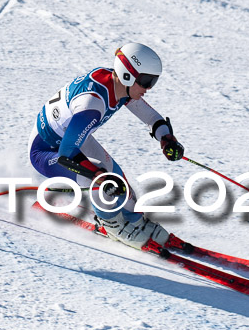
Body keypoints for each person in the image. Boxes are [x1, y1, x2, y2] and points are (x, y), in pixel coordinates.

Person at [28, 43, 184, 250]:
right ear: (127, 75)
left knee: (119, 181)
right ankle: (111, 224)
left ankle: (134, 220)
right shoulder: (92, 105)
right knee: (104, 180)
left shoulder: (118, 85)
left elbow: (146, 113)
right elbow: (67, 153)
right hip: (47, 151)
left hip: (71, 139)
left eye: (152, 82)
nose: (148, 88)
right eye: (146, 81)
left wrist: (165, 137)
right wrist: (97, 175)